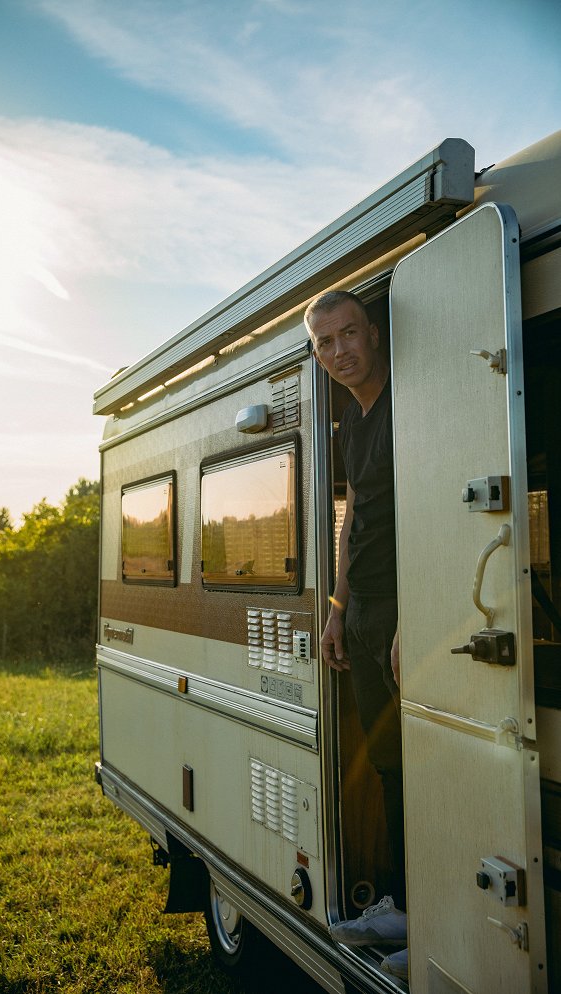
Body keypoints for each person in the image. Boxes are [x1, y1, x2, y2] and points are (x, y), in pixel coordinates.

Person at [304, 290, 408, 981]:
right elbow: (353, 519)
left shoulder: (410, 399)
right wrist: (338, 606)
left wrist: (421, 612)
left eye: (348, 334)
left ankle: (442, 920)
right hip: (365, 610)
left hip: (408, 610)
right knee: (391, 766)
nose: (340, 352)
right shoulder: (349, 419)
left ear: (372, 331)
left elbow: (433, 506)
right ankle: (406, 905)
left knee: (431, 771)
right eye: (324, 343)